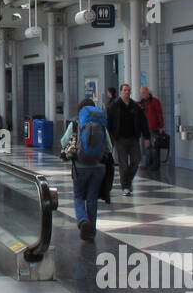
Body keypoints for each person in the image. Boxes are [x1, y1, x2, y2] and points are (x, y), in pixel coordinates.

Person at [61, 97, 113, 239]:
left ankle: (83, 220)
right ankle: (91, 232)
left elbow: (63, 141)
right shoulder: (101, 124)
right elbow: (109, 146)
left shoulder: (76, 124)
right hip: (98, 168)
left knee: (78, 196)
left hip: (80, 166)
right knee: (92, 198)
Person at [106, 83, 148, 196]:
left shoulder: (135, 106)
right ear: (121, 92)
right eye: (125, 90)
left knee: (136, 160)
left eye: (128, 90)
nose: (127, 92)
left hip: (133, 138)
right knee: (123, 163)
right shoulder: (114, 106)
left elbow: (143, 122)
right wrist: (109, 138)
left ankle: (127, 180)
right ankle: (125, 186)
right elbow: (109, 122)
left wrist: (146, 137)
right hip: (120, 139)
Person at [139, 86, 164, 170]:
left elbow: (159, 113)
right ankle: (148, 163)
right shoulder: (142, 103)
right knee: (147, 146)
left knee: (155, 147)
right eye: (142, 93)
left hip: (153, 127)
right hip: (145, 127)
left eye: (144, 93)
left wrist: (160, 126)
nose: (143, 94)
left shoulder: (154, 101)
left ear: (148, 92)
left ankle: (155, 164)